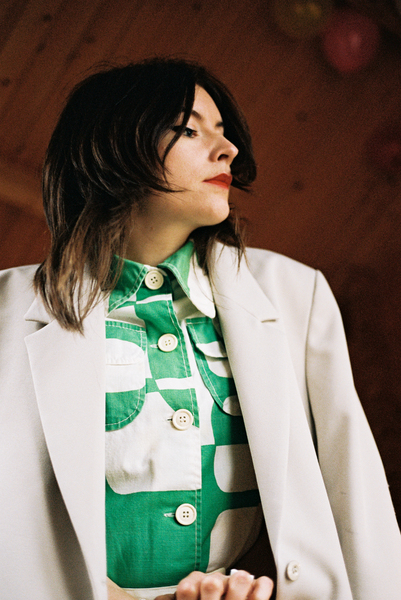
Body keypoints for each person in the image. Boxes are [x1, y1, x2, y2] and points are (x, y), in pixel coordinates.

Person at [0, 58, 400, 600]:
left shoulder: (296, 294)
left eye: (223, 130)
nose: (228, 148)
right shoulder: (5, 311)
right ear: (110, 145)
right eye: (189, 130)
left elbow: (356, 495)